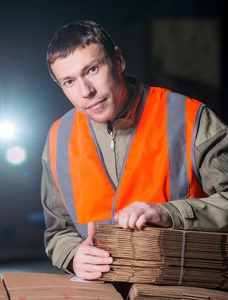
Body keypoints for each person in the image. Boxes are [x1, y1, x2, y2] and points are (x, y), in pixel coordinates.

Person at [41, 20, 228, 286]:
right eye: (69, 81)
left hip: (183, 290)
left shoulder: (189, 119)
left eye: (92, 69)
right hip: (102, 292)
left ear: (118, 60)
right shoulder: (58, 139)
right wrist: (73, 256)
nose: (86, 91)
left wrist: (171, 214)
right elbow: (58, 232)